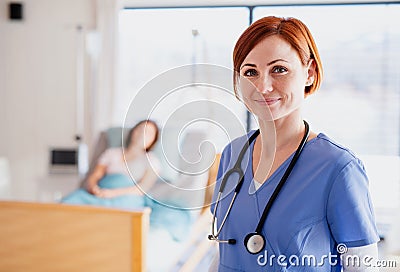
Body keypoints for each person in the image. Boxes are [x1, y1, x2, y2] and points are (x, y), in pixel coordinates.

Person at [209, 16, 380, 271]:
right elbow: (225, 249)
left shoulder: (337, 167)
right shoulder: (232, 154)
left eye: (279, 69)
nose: (263, 86)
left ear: (309, 73)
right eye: (250, 72)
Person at [61, 120, 160, 210]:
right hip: (101, 193)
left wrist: (112, 194)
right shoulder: (111, 153)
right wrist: (94, 188)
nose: (143, 135)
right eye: (141, 130)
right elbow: (95, 175)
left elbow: (141, 189)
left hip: (127, 197)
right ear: (133, 132)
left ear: (153, 140)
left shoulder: (152, 161)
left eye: (149, 133)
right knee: (71, 201)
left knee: (124, 208)